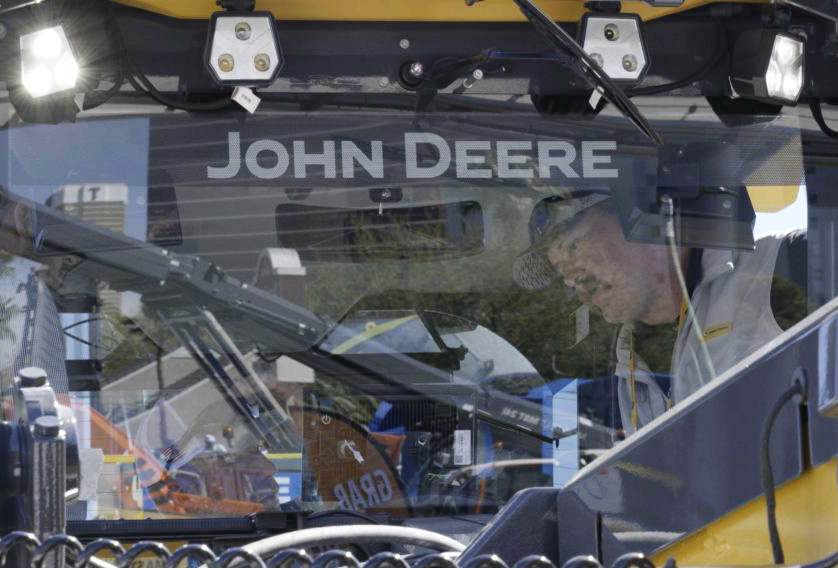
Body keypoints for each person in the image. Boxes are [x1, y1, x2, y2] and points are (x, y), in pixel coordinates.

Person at [513, 190, 807, 434]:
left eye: (574, 246)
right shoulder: (629, 362)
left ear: (646, 216)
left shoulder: (781, 266)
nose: (570, 279)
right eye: (560, 270)